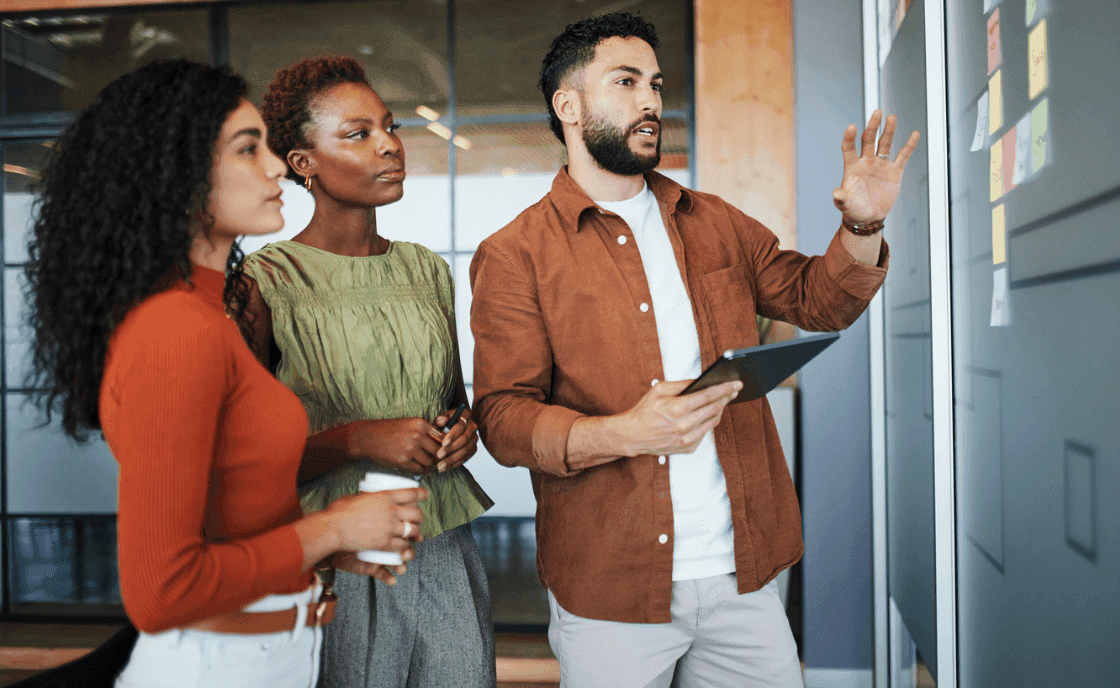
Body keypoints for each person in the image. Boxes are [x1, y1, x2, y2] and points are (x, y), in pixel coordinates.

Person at [469, 12, 918, 688]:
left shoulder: (713, 222)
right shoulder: (514, 254)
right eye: (625, 82)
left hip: (743, 574)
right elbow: (503, 419)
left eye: (654, 83)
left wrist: (862, 223)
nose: (650, 100)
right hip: (610, 588)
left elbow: (819, 300)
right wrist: (623, 432)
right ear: (569, 105)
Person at [24, 58, 425, 687]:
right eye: (248, 149)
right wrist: (328, 527)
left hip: (267, 655)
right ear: (177, 178)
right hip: (218, 667)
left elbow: (230, 513)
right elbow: (162, 591)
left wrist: (326, 544)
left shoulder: (207, 315)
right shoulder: (176, 331)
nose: (275, 168)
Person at [242, 55, 496, 688]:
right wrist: (355, 439)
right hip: (335, 554)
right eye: (357, 134)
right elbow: (237, 466)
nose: (388, 146)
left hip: (441, 542)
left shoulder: (427, 270)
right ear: (303, 163)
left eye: (389, 127)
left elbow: (454, 402)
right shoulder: (265, 284)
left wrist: (463, 432)